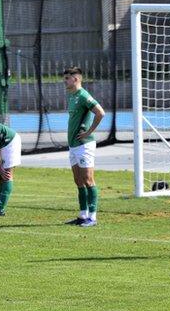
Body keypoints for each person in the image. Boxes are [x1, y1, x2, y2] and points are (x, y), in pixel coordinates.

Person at [62, 66, 105, 227]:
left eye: (67, 78)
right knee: (78, 180)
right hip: (73, 145)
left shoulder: (83, 95)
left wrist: (89, 132)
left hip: (84, 145)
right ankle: (82, 215)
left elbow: (100, 112)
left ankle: (92, 217)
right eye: (64, 78)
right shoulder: (72, 96)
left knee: (88, 180)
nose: (65, 81)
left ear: (76, 79)